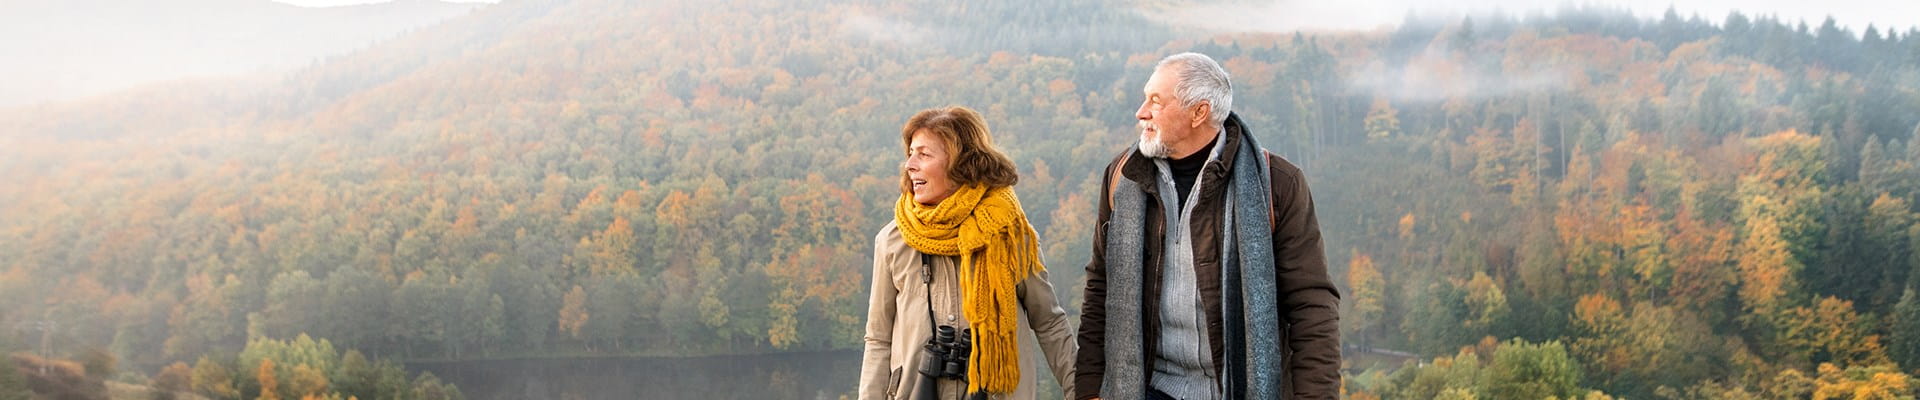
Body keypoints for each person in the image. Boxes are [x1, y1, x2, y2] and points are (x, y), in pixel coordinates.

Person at [1072, 53, 1341, 400]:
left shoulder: (1277, 184)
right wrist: (1090, 390)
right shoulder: (1123, 177)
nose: (1141, 113)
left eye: (1156, 101)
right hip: (1146, 389)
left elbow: (1311, 305)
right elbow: (1101, 288)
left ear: (1198, 113)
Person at [859, 106, 1077, 400]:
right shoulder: (893, 240)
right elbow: (878, 338)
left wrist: (1083, 391)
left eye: (924, 154)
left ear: (961, 163)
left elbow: (1049, 323)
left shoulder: (1010, 234)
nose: (910, 164)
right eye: (910, 153)